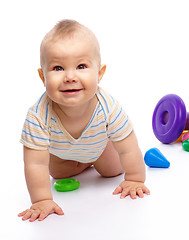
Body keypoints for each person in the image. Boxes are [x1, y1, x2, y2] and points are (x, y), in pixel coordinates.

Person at [18, 19, 150, 222]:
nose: (70, 76)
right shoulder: (38, 116)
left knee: (112, 170)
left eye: (81, 66)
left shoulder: (108, 107)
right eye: (58, 68)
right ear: (42, 77)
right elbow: (35, 164)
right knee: (57, 174)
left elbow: (128, 147)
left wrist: (134, 178)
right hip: (62, 155)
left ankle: (95, 158)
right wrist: (41, 200)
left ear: (99, 73)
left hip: (100, 147)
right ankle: (81, 161)